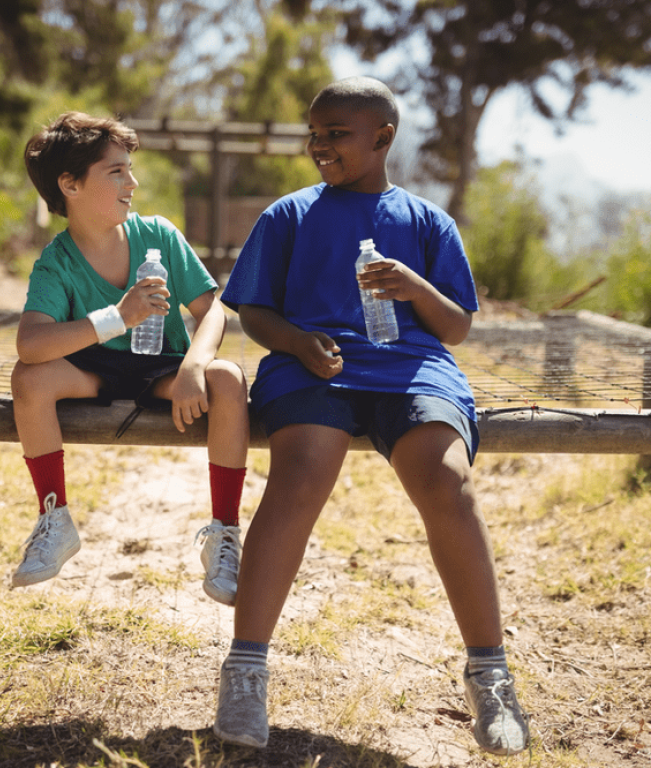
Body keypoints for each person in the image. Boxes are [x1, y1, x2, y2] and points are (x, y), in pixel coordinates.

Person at [213, 77, 530, 756]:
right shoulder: (289, 215)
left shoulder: (426, 222)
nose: (320, 144)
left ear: (383, 137)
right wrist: (298, 341)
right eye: (315, 132)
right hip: (310, 366)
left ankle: (490, 673)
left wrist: (414, 286)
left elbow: (457, 328)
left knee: (448, 484)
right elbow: (255, 309)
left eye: (337, 133)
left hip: (411, 369)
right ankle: (245, 669)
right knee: (299, 476)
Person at [10, 112, 248, 606]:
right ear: (69, 185)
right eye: (116, 171)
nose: (132, 182)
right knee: (29, 379)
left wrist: (194, 368)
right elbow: (31, 345)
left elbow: (213, 312)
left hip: (165, 372)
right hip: (93, 370)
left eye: (130, 169)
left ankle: (225, 534)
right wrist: (117, 318)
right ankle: (54, 519)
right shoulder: (57, 260)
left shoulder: (158, 235)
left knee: (227, 378)